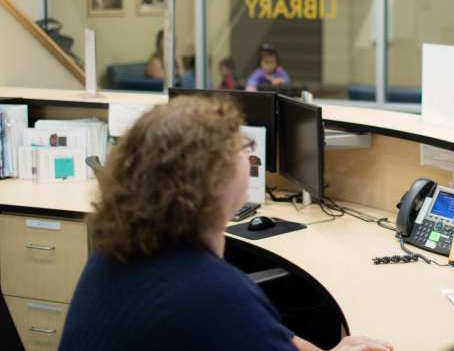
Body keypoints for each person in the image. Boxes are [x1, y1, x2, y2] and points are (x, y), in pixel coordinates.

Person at [60, 97, 392, 351]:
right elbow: (236, 319)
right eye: (240, 149)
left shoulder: (117, 252)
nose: (248, 158)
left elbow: (267, 335)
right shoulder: (213, 293)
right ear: (211, 182)